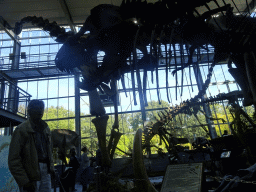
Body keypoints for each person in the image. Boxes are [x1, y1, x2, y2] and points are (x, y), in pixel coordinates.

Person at [8, 99, 55, 192]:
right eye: (37, 108)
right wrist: (24, 181)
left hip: (46, 171)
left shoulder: (46, 129)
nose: (40, 111)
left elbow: (49, 151)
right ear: (29, 111)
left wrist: (51, 168)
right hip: (30, 174)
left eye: (42, 108)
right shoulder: (21, 130)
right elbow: (13, 159)